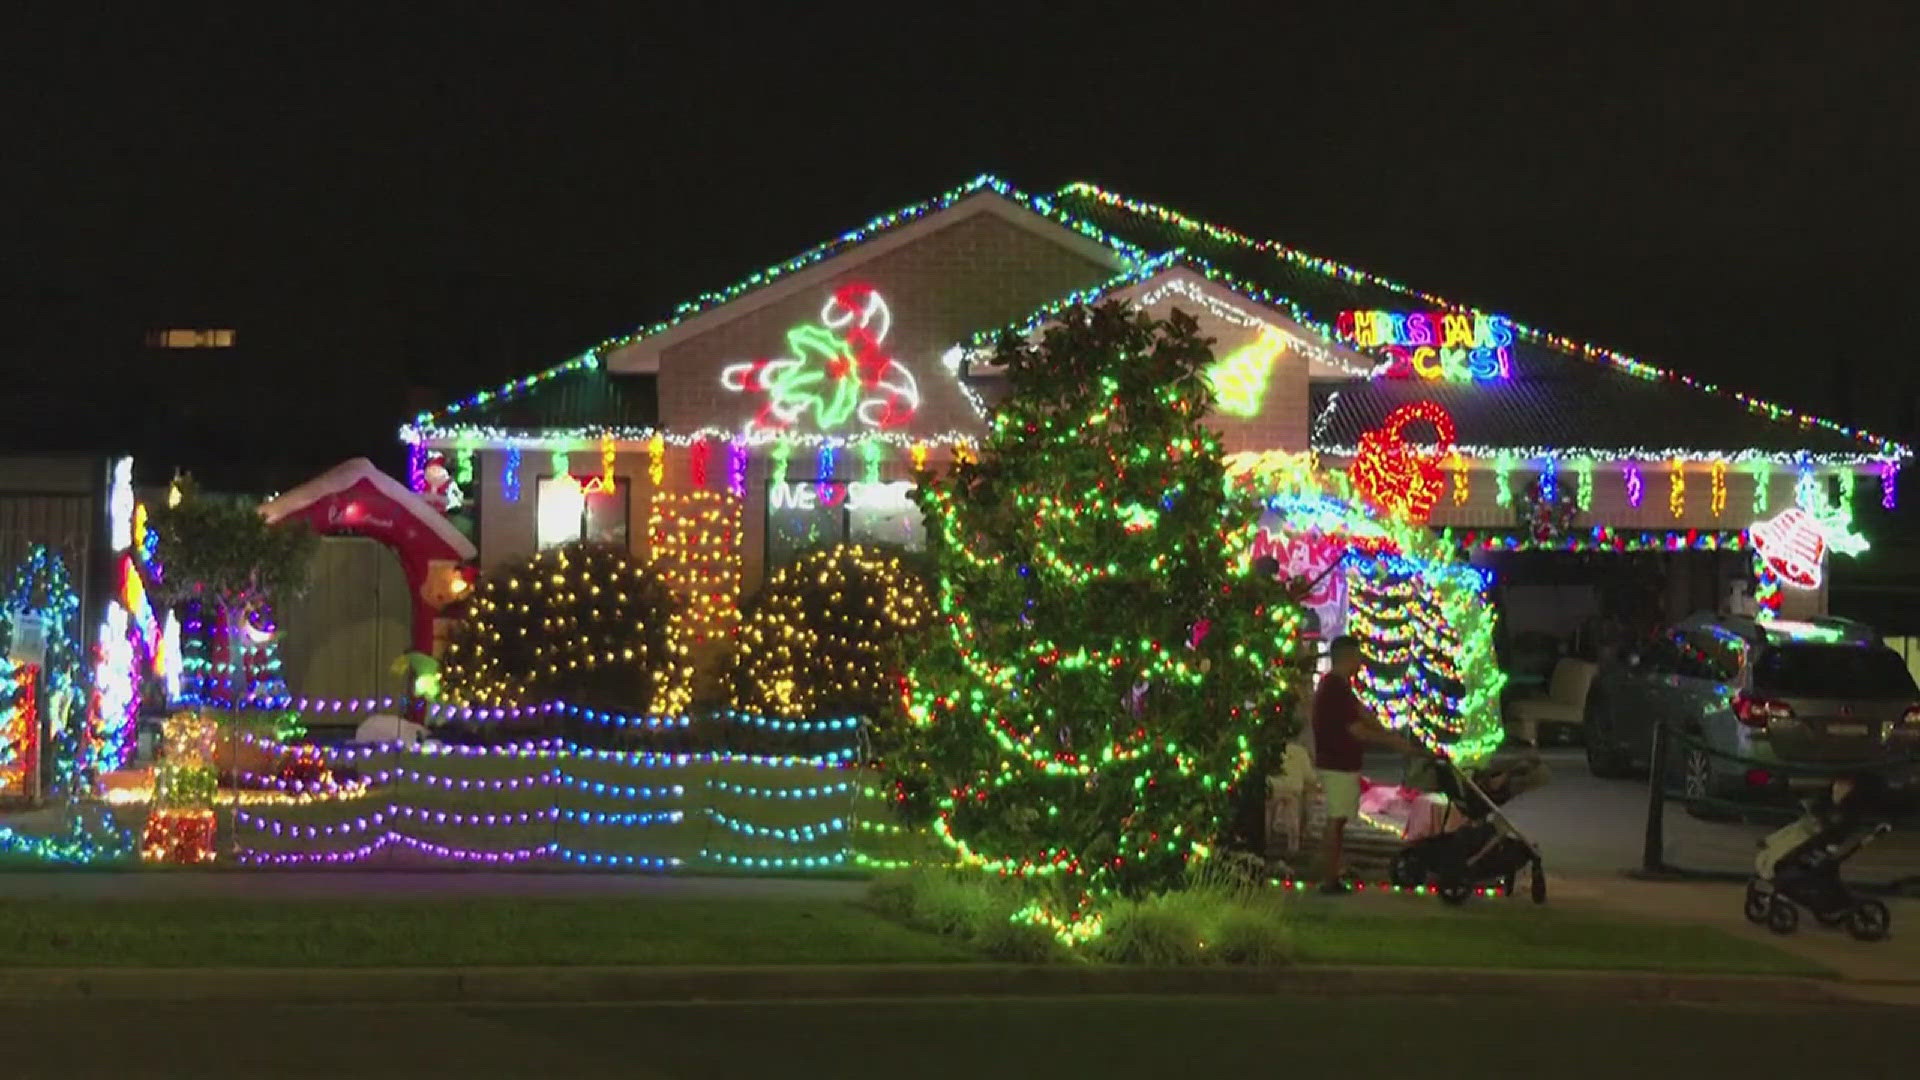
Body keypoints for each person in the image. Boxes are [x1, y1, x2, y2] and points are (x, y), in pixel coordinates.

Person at [1312, 635, 1432, 894]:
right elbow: (1357, 729)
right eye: (1357, 656)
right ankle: (1329, 879)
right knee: (1336, 819)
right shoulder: (1334, 687)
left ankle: (1333, 870)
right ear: (1347, 657)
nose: (1360, 662)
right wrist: (1391, 742)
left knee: (1340, 819)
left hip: (1342, 762)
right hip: (1337, 763)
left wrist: (1391, 736)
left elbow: (1361, 713)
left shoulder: (1340, 686)